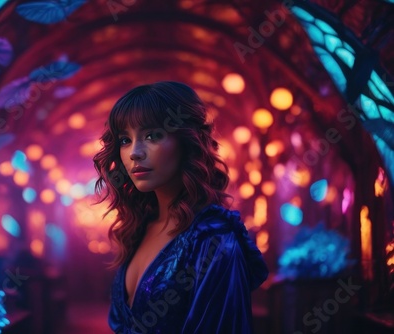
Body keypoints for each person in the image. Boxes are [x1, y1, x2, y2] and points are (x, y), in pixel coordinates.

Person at [92, 81, 269, 333]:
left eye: (152, 135)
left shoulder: (215, 239)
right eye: (124, 139)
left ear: (187, 140)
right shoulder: (139, 227)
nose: (134, 152)